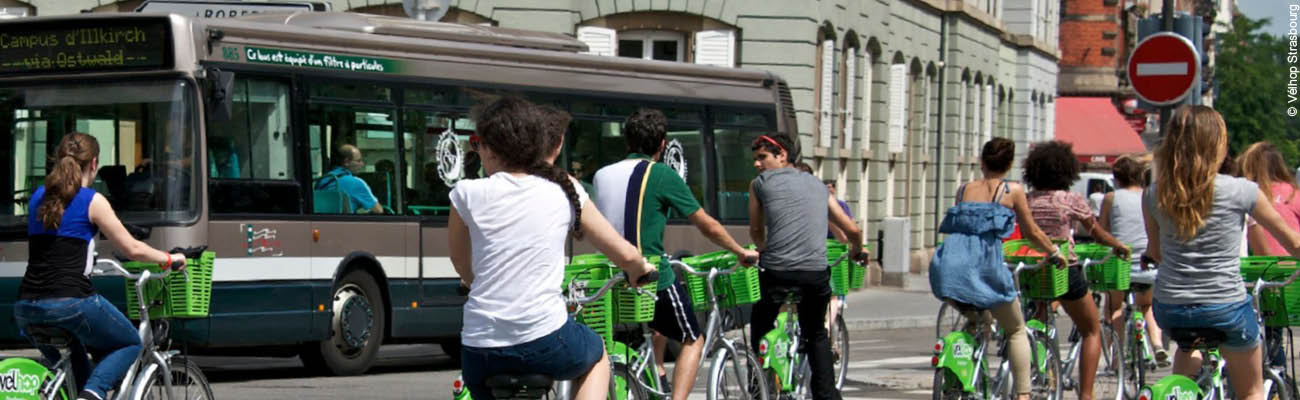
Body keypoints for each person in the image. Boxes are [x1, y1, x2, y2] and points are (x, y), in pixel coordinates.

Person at [449, 96, 654, 400]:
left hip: (479, 349)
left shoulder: (466, 193)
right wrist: (640, 270)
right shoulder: (563, 189)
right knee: (596, 354)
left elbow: (461, 264)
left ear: (490, 148)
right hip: (543, 339)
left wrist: (471, 280)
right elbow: (624, 254)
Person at [591, 108, 759, 400]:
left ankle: (653, 374)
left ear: (628, 142)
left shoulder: (602, 174)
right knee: (693, 339)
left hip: (609, 278)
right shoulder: (661, 174)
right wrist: (739, 250)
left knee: (643, 332)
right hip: (650, 276)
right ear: (662, 144)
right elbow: (706, 224)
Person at [1142, 105, 1300, 400]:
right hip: (1224, 304)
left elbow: (1156, 252)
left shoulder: (1154, 192)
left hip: (1171, 306)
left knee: (1188, 347)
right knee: (1251, 390)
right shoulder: (1242, 190)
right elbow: (1294, 244)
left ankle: (1182, 392)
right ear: (1217, 143)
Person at [14, 132, 187, 400]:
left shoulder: (39, 196)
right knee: (129, 342)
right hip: (71, 303)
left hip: (26, 307)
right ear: (93, 163)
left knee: (77, 362)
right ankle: (92, 394)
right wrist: (169, 258)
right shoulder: (92, 200)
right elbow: (132, 249)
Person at [930, 137, 1064, 400]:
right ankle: (1024, 395)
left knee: (977, 317)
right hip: (985, 267)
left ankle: (967, 367)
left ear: (982, 161)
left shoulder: (962, 190)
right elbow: (1032, 231)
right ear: (1010, 163)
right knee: (1015, 329)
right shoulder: (1011, 190)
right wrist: (1054, 252)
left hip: (949, 267)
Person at [747, 133, 864, 400]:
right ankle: (826, 395)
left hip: (776, 271)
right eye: (755, 159)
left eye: (762, 157)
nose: (757, 164)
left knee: (760, 322)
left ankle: (758, 388)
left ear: (782, 155)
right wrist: (857, 251)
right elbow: (852, 230)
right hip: (814, 274)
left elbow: (755, 229)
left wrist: (763, 247)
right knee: (816, 333)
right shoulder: (818, 185)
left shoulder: (759, 184)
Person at [1022, 141, 1130, 400]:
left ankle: (1043, 368)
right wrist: (1118, 246)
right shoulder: (1069, 199)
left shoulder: (1027, 200)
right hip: (1064, 270)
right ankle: (1086, 394)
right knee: (1091, 329)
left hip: (1033, 270)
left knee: (1039, 314)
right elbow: (1096, 232)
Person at [1098, 154, 1169, 367]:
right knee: (1147, 305)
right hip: (1148, 264)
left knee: (1114, 307)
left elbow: (1103, 231)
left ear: (1116, 178)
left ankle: (1117, 358)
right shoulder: (1150, 196)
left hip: (1120, 264)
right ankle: (1157, 344)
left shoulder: (1111, 198)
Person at [1237, 141, 1300, 367]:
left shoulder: (1249, 192)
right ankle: (1277, 374)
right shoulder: (1292, 193)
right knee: (1276, 332)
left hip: (1255, 271)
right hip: (1291, 272)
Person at [315, 144, 383, 214]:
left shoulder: (323, 179)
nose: (362, 164)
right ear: (347, 162)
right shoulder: (356, 183)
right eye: (358, 161)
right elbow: (378, 210)